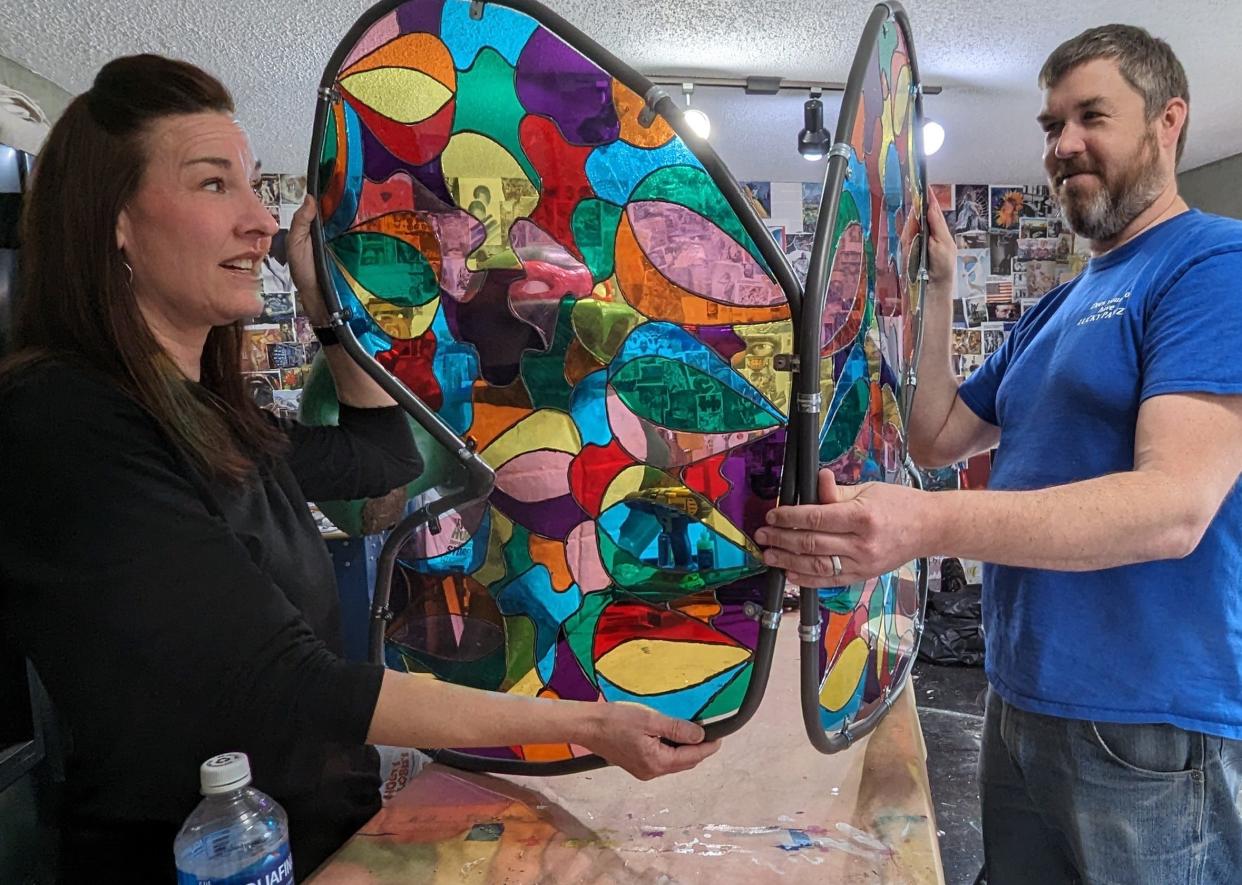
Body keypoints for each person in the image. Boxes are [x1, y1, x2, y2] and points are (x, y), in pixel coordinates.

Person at [0, 55, 719, 881]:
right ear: (113, 219)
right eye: (212, 185)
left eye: (250, 187)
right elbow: (289, 682)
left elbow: (380, 458)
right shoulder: (63, 420)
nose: (260, 223)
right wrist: (592, 725)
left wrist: (328, 311)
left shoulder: (209, 416)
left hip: (324, 839)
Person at [757, 24, 1242, 884]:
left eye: (1091, 116)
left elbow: (1175, 507)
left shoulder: (1213, 265)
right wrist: (939, 287)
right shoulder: (1054, 308)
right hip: (1017, 700)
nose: (1064, 146)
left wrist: (926, 524)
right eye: (1052, 126)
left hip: (1150, 728)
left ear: (1170, 122)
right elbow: (939, 435)